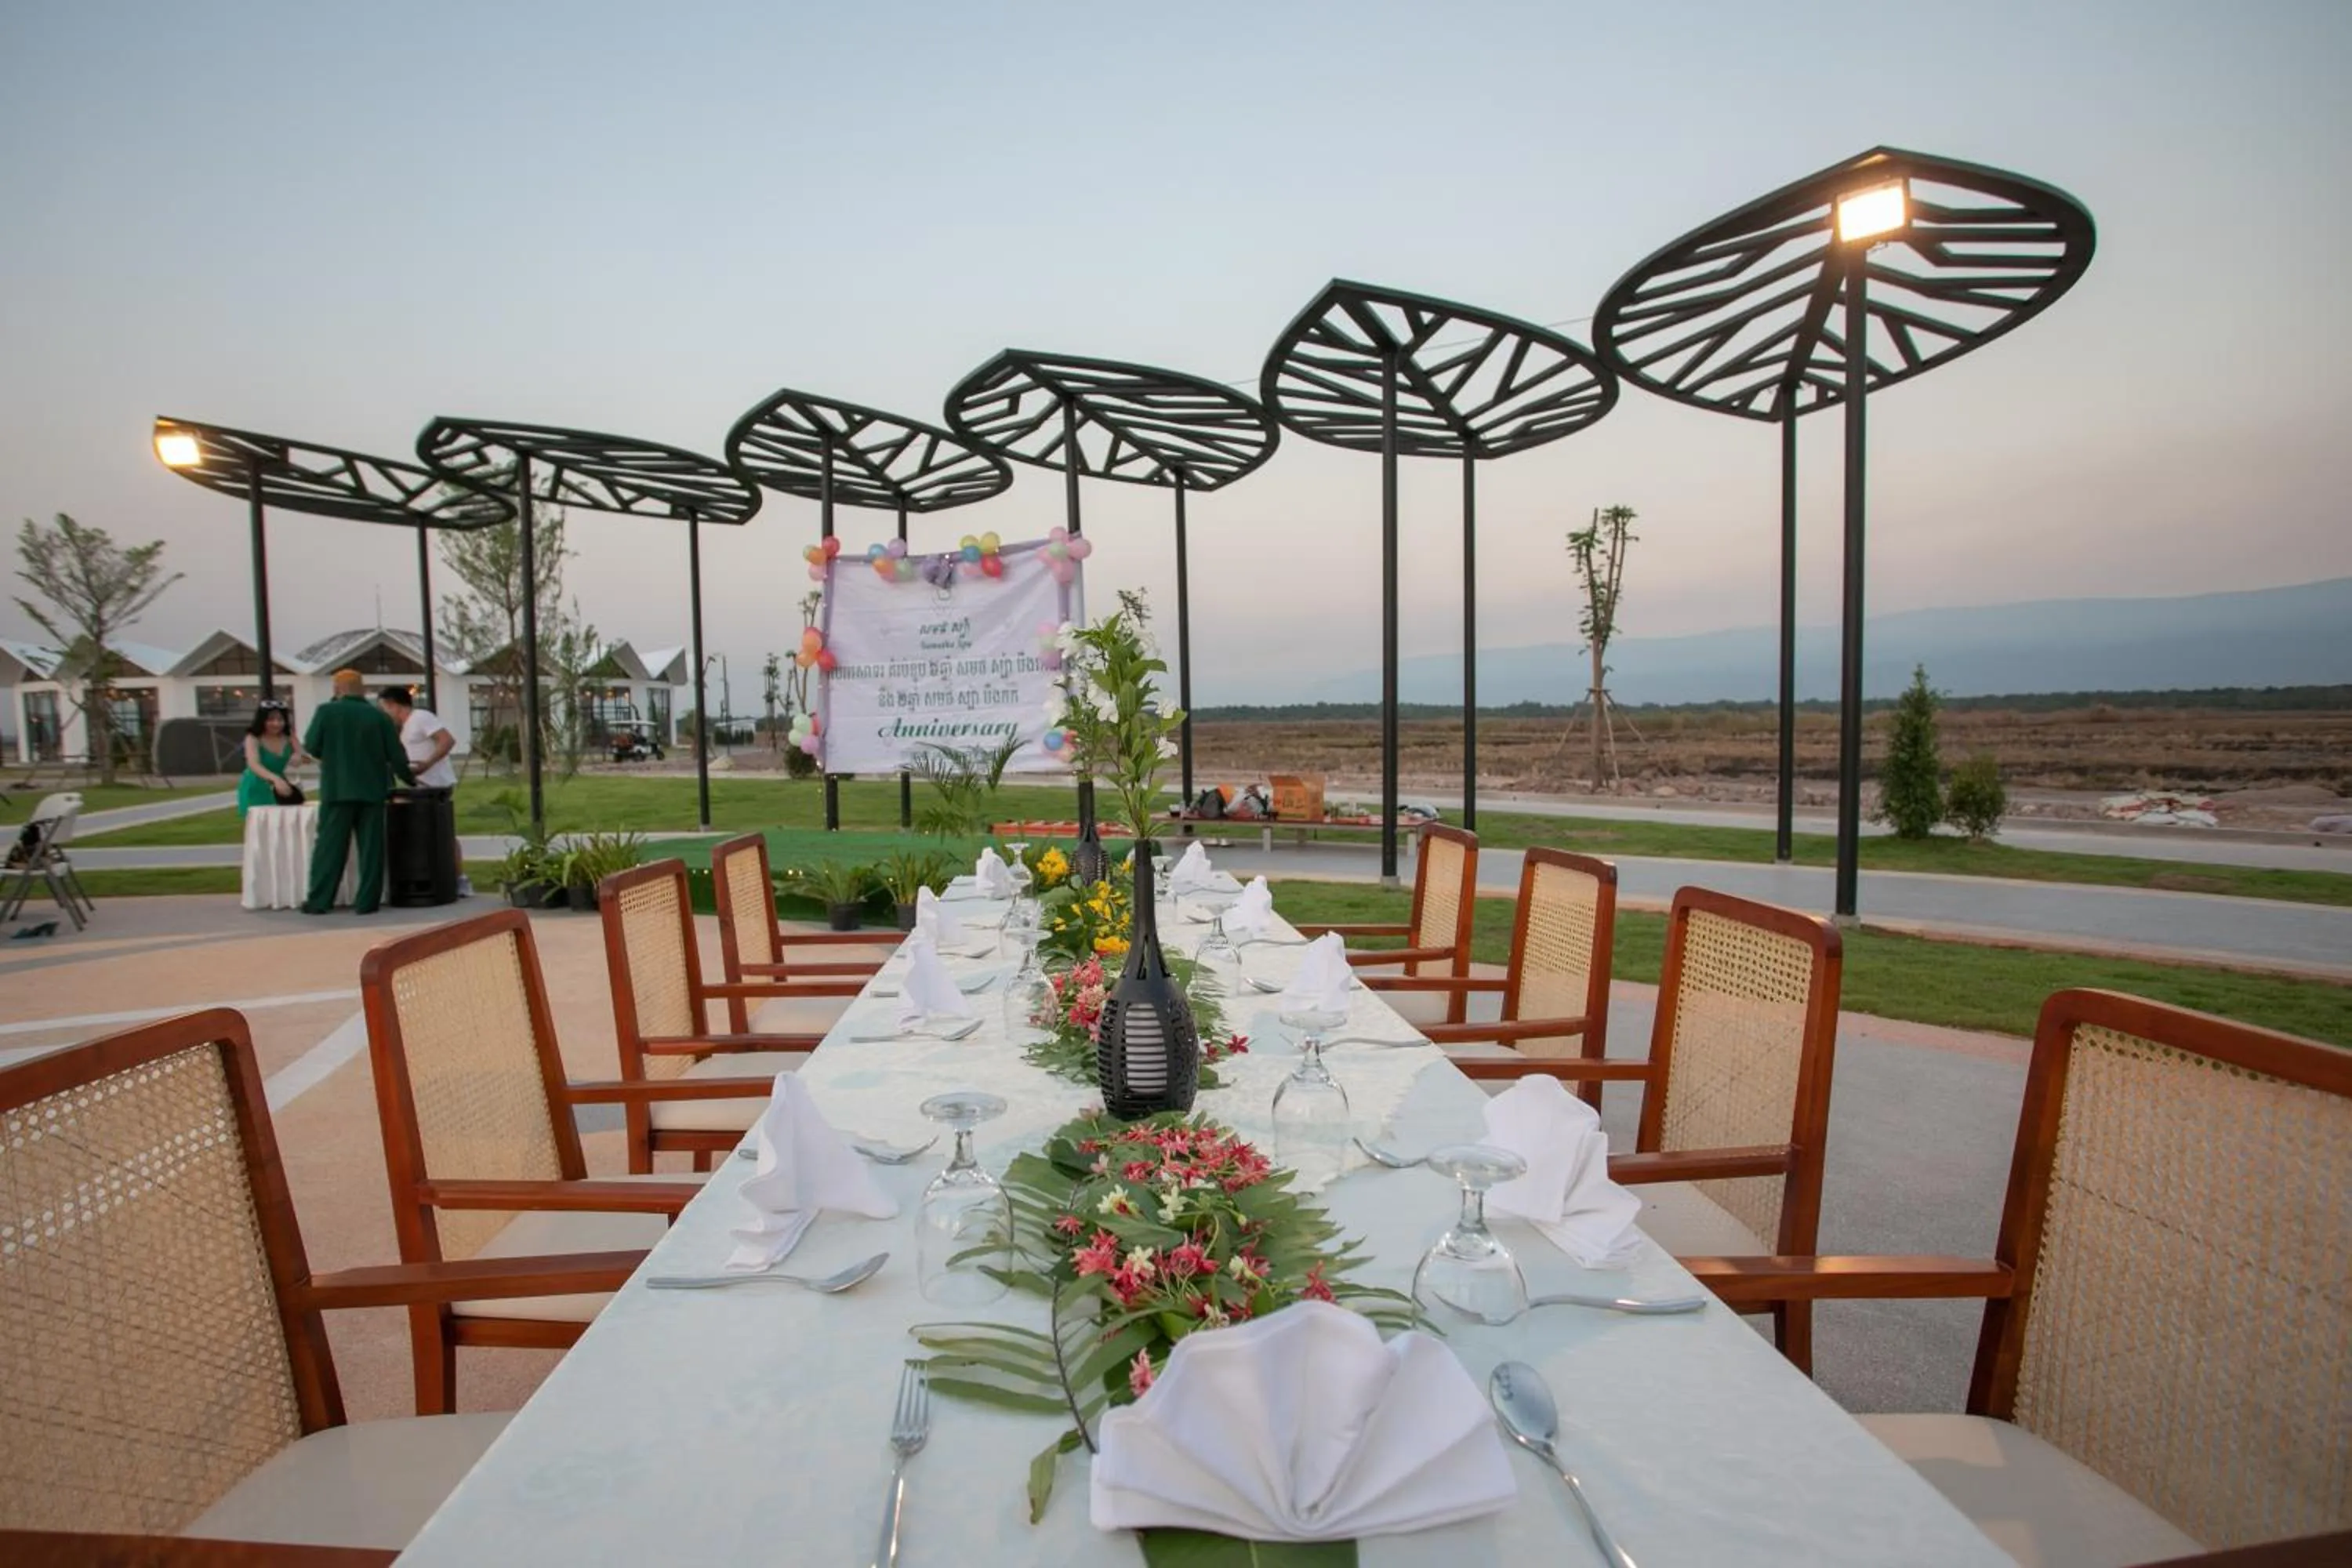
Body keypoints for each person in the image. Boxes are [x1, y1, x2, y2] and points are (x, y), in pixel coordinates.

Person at [299, 668, 413, 915]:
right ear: (363, 689)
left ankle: (320, 900)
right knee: (371, 848)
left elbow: (311, 746)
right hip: (372, 790)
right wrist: (410, 779)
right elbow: (396, 755)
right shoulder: (379, 717)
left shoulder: (326, 712)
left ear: (337, 689)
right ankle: (367, 902)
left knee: (330, 847)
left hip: (337, 789)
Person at [378, 684, 468, 895]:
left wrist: (427, 764)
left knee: (445, 832)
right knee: (425, 833)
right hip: (419, 786)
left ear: (393, 705)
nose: (384, 714)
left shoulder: (421, 717)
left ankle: (459, 878)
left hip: (436, 784)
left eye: (384, 708)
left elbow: (447, 741)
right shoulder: (404, 728)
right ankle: (434, 874)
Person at [236, 702, 307, 818]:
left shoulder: (289, 736)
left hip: (282, 787)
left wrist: (299, 756)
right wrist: (275, 779)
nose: (276, 724)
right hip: (257, 786)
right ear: (262, 720)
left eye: (280, 720)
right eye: (271, 720)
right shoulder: (253, 738)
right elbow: (254, 764)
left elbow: (305, 758)